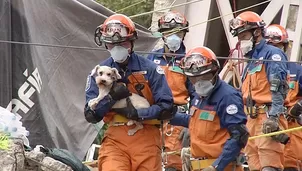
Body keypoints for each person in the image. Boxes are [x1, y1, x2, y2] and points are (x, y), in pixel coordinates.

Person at [84, 13, 175, 171]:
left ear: (132, 42)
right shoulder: (99, 73)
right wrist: (111, 97)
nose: (118, 48)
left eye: (123, 43)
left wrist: (140, 113)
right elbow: (91, 115)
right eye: (112, 44)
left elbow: (167, 107)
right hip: (115, 139)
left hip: (147, 137)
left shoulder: (151, 69)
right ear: (106, 44)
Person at [170, 46, 248, 171]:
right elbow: (195, 121)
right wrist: (166, 115)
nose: (198, 82)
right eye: (193, 78)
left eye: (202, 77)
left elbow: (239, 135)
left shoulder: (228, 97)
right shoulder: (199, 95)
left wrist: (216, 166)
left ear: (214, 72)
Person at [229, 11, 290, 171]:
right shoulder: (251, 58)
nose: (240, 41)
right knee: (254, 166)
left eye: (243, 36)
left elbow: (278, 88)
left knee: (270, 166)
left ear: (256, 32)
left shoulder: (272, 54)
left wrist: (274, 118)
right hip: (251, 120)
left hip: (266, 117)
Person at [147, 11, 195, 171]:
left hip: (176, 120)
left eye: (178, 33)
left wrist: (192, 124)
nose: (174, 36)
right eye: (169, 32)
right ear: (162, 34)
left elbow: (198, 96)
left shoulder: (190, 61)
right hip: (152, 118)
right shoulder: (152, 59)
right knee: (146, 161)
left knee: (173, 165)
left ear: (183, 35)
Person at [265, 24, 302, 171]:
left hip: (291, 133)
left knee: (289, 166)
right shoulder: (258, 70)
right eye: (271, 46)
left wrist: (298, 107)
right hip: (266, 127)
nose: (275, 51)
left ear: (285, 47)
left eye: (278, 46)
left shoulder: (297, 71)